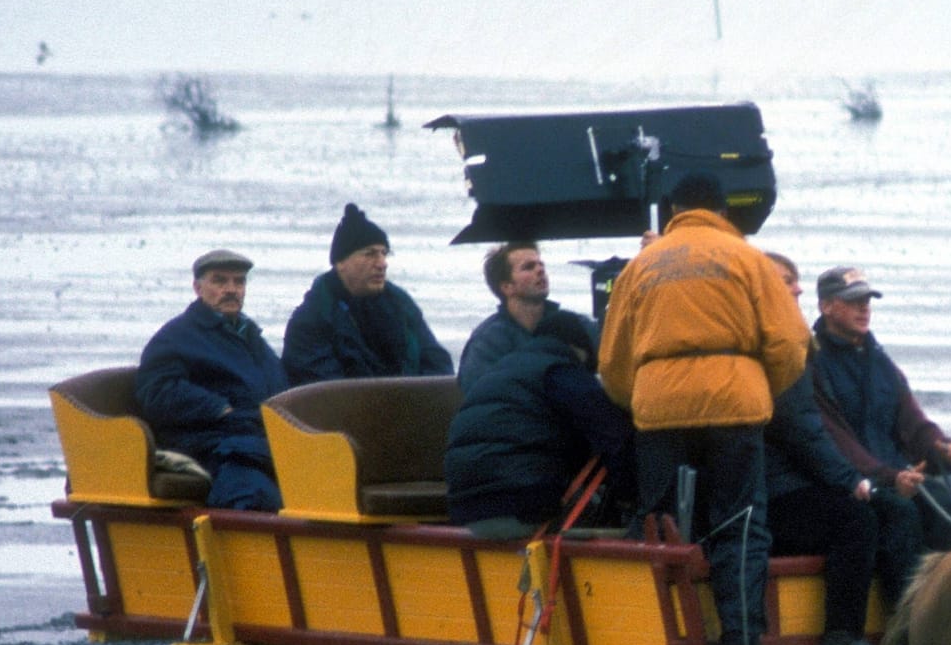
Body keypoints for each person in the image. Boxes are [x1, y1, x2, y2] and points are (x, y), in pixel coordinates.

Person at [598, 173, 810, 645]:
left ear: (673, 211)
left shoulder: (642, 265)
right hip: (733, 406)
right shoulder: (746, 258)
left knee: (663, 525)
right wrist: (758, 385)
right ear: (723, 212)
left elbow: (613, 361)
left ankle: (658, 643)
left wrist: (645, 398)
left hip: (659, 411)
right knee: (740, 527)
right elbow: (789, 345)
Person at [758, 252, 882, 645]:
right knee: (855, 521)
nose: (796, 288)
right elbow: (801, 428)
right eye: (785, 281)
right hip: (770, 490)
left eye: (796, 281)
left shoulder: (786, 337)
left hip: (780, 479)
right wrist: (850, 480)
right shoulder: (777, 343)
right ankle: (841, 640)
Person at [808, 265, 951, 551]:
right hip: (846, 484)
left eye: (867, 301)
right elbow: (835, 439)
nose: (864, 309)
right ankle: (903, 595)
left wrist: (943, 448)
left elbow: (913, 423)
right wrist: (888, 477)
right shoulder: (812, 363)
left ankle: (941, 591)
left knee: (945, 506)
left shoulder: (880, 361)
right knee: (901, 513)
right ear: (826, 306)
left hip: (894, 476)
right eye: (853, 301)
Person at [445, 323, 634, 538]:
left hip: (466, 512)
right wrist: (630, 498)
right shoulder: (561, 371)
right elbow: (615, 435)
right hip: (523, 506)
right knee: (603, 515)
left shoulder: (497, 374)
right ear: (580, 349)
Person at [135, 249, 290, 511]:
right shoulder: (176, 337)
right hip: (210, 444)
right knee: (253, 492)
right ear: (198, 287)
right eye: (220, 281)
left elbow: (278, 387)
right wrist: (220, 409)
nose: (231, 289)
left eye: (239, 282)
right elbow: (157, 391)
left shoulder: (251, 337)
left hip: (257, 438)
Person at [282, 203, 452, 384]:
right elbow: (326, 391)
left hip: (410, 407)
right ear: (340, 262)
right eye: (370, 254)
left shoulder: (401, 306)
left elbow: (436, 361)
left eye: (384, 254)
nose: (382, 263)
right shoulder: (311, 321)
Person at [458, 240, 601, 393]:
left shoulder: (572, 324)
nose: (540, 270)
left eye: (541, 265)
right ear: (507, 287)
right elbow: (480, 395)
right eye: (529, 267)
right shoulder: (488, 341)